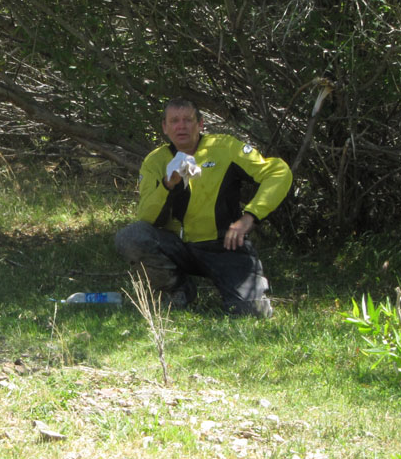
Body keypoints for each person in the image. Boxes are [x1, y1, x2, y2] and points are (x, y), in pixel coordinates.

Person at [115, 98, 292, 317]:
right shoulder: (155, 161)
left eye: (188, 120)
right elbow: (147, 217)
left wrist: (250, 217)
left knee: (252, 312)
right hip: (178, 246)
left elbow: (278, 172)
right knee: (130, 237)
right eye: (174, 121)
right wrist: (168, 184)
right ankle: (177, 291)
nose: (182, 126)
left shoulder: (225, 148)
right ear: (165, 127)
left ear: (200, 124)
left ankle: (237, 290)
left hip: (225, 245)